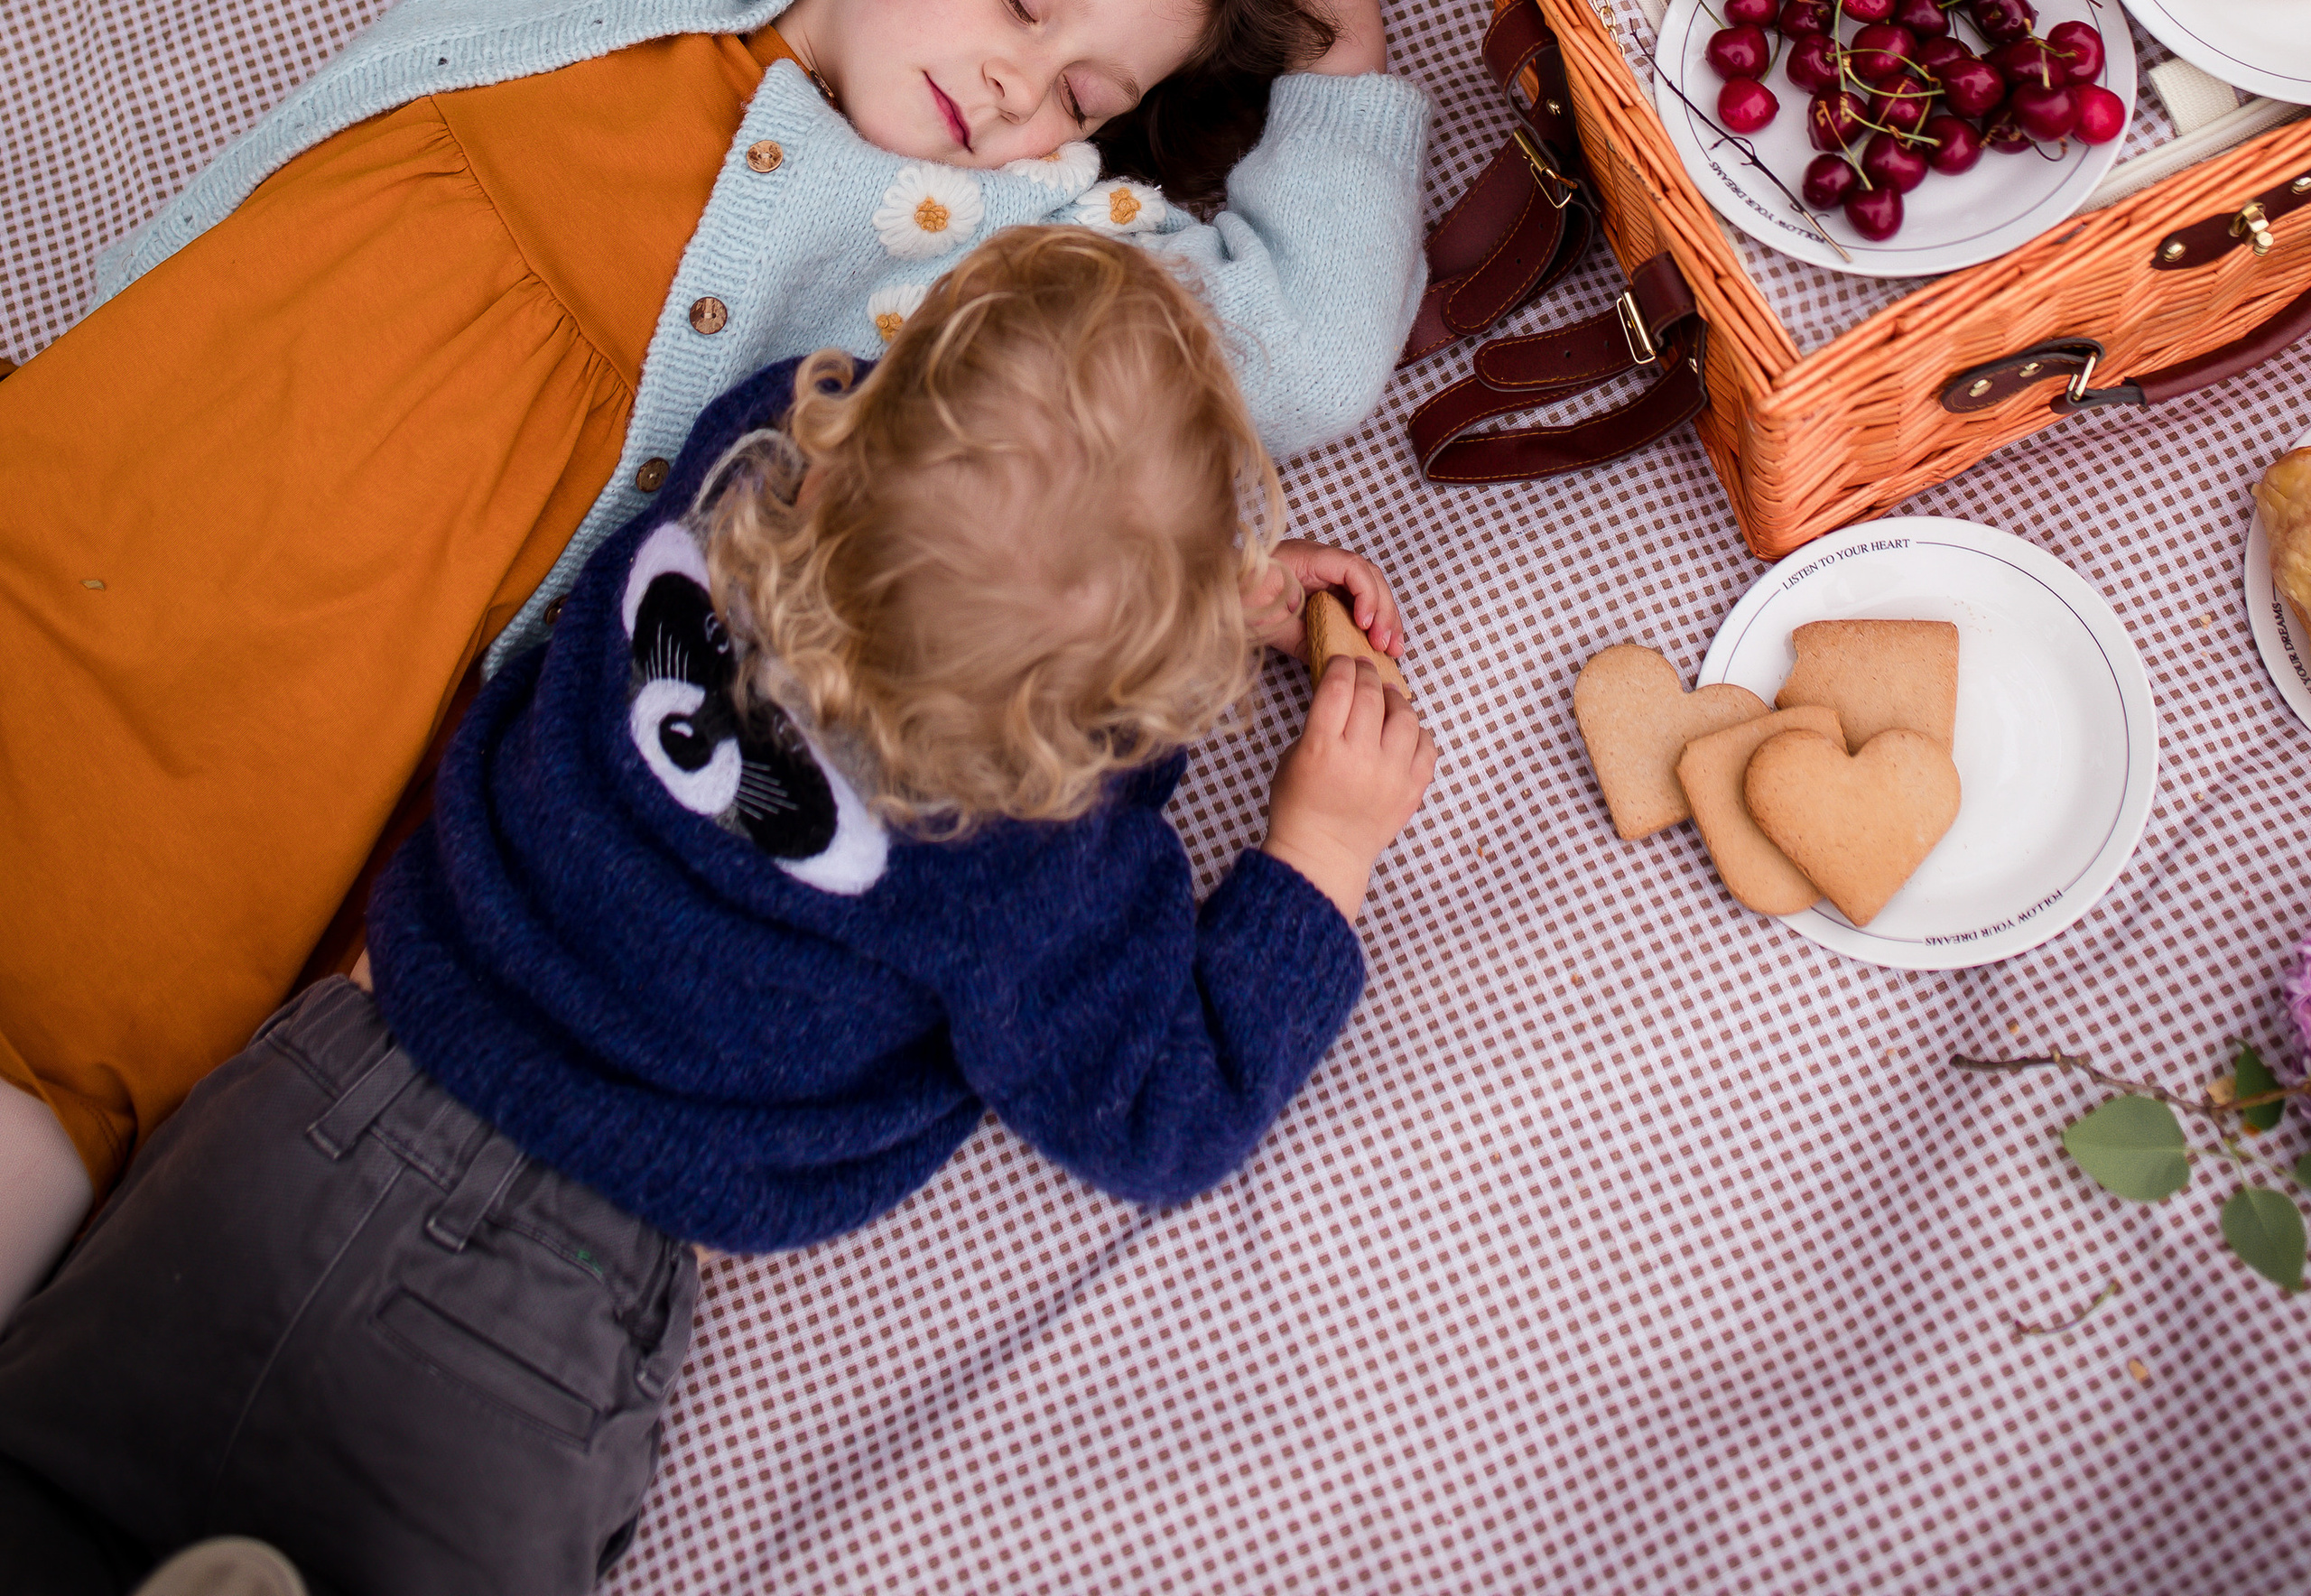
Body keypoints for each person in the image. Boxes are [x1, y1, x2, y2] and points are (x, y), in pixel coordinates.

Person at [0, 0, 1430, 1307]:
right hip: (158, 433)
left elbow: (1312, 345)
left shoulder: (995, 262)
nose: (1021, 81)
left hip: (351, 645)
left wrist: (1343, 39)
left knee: (102, 979)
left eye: (1090, 92)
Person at [0, 228, 1438, 1596]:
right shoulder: (1026, 872)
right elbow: (1166, 1111)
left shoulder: (743, 469)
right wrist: (1318, 855)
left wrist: (1173, 595)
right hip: (547, 1295)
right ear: (1093, 742)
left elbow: (933, 532)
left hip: (307, 1108)